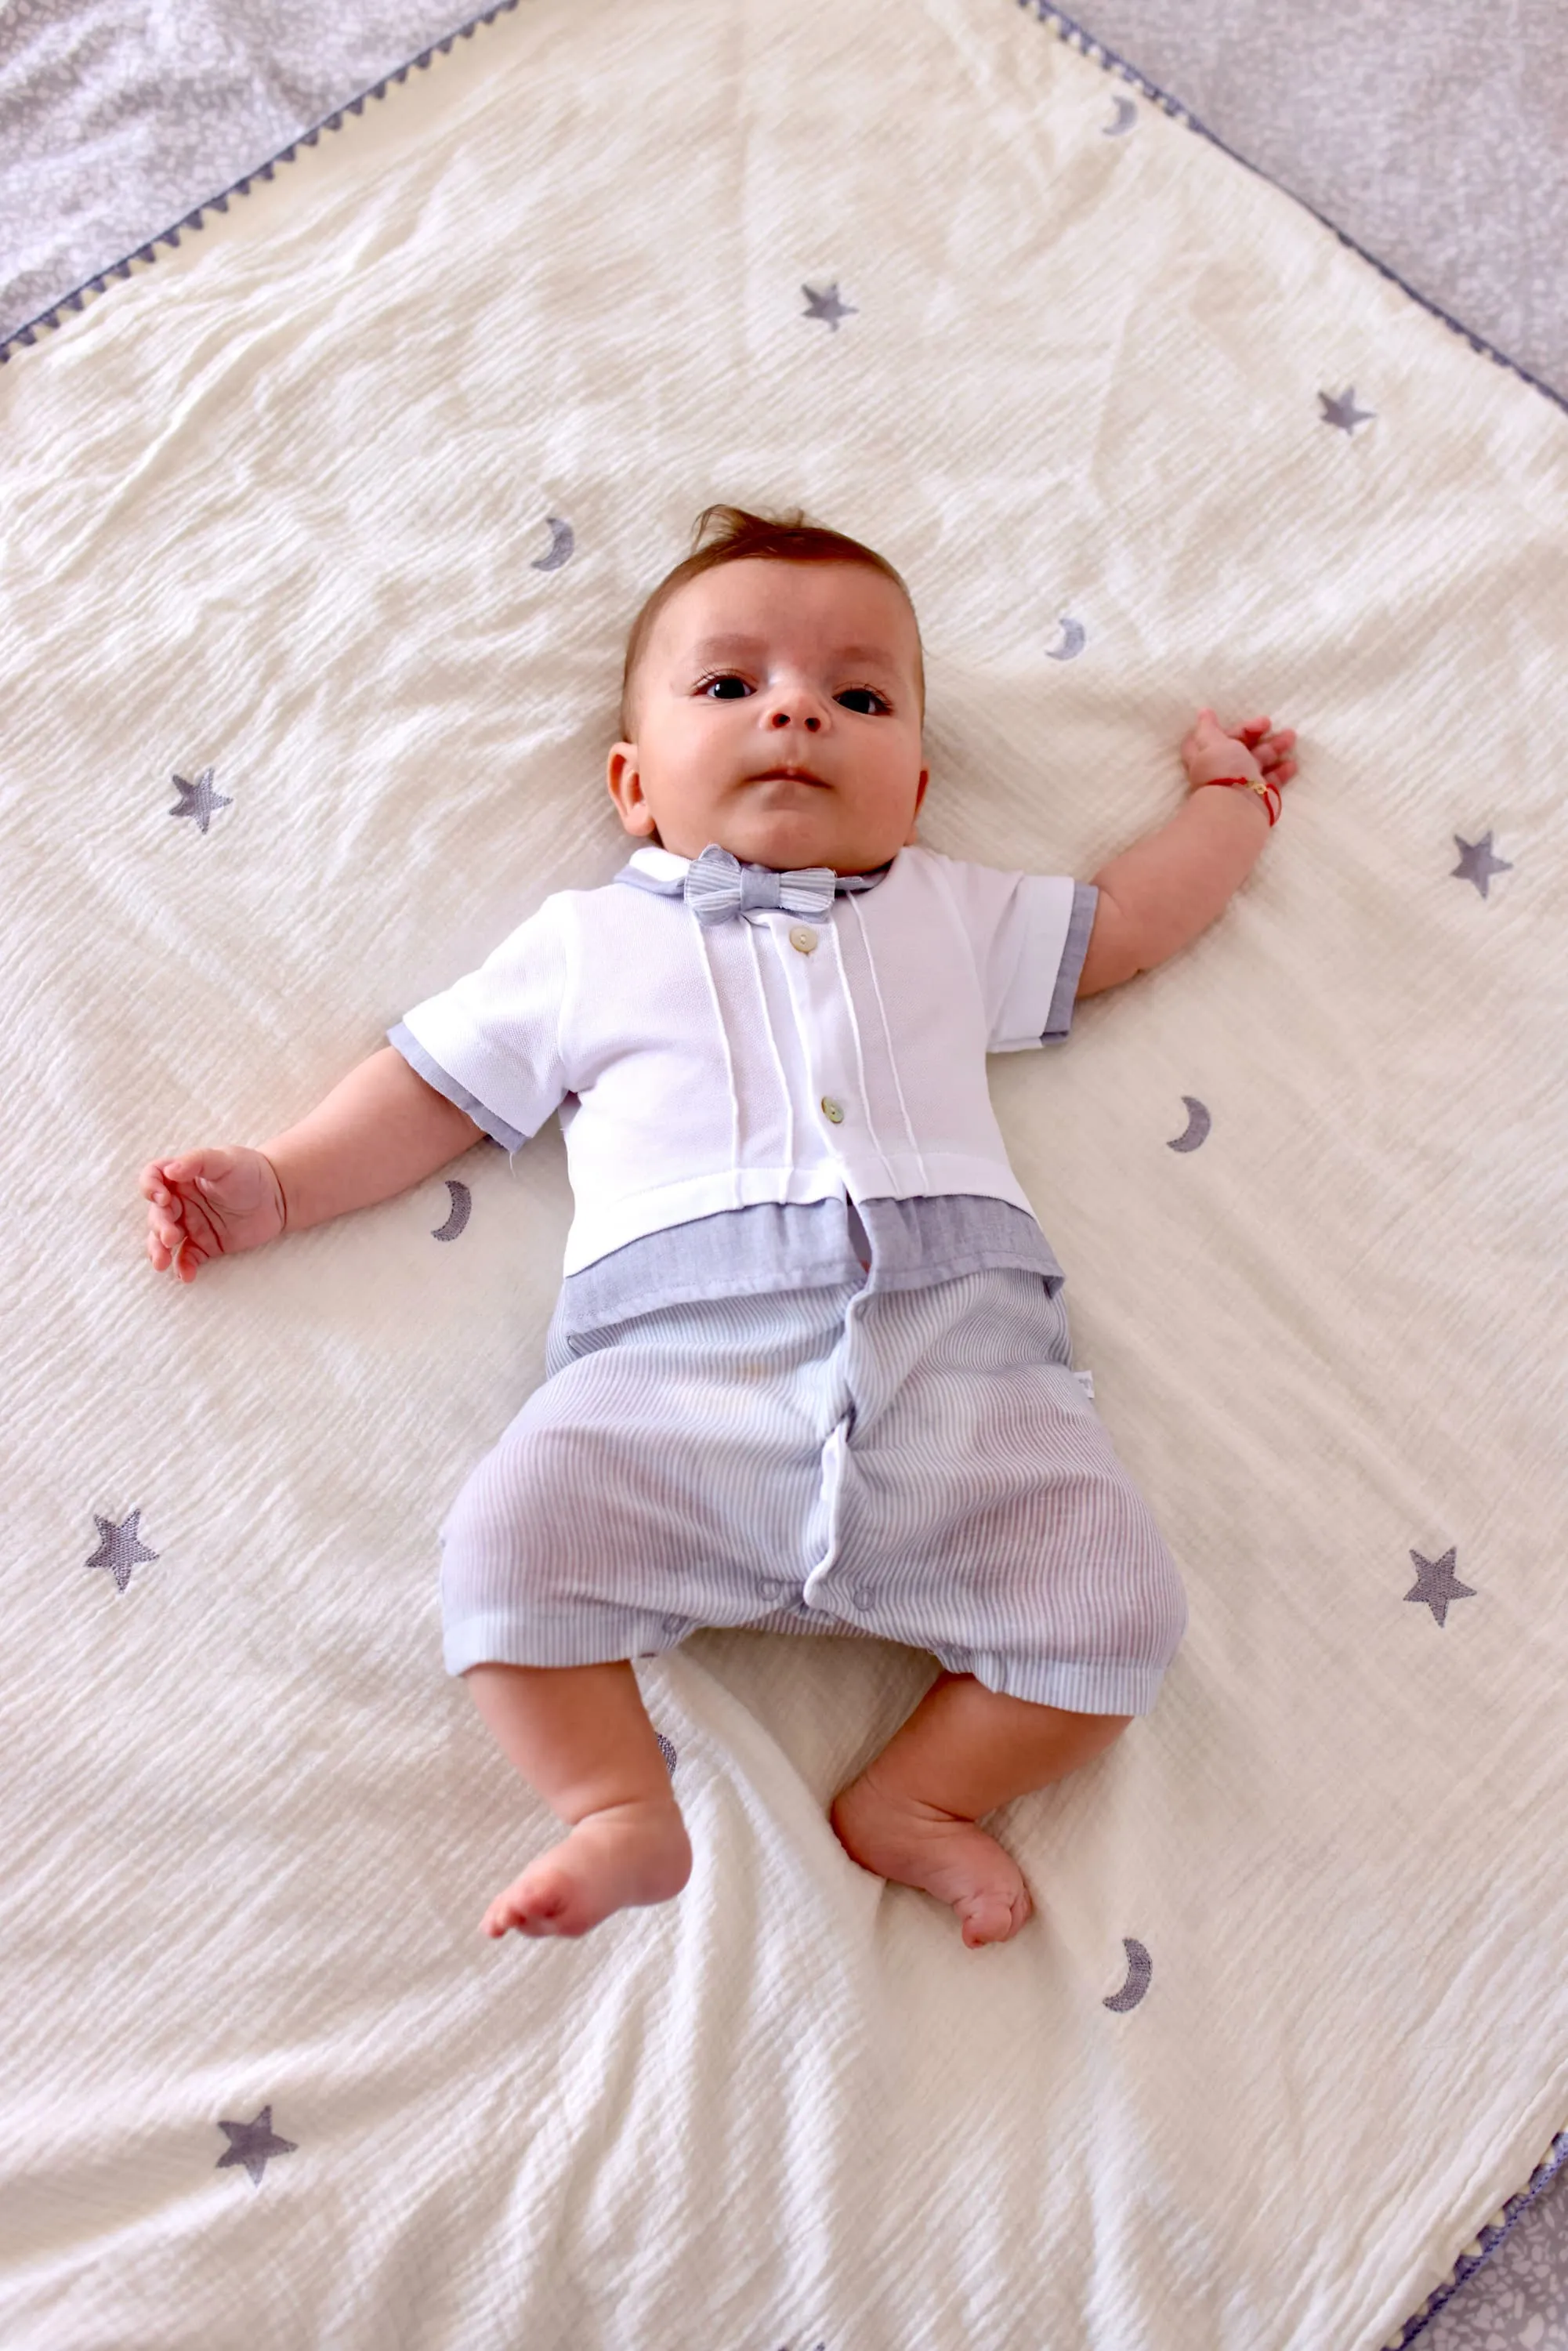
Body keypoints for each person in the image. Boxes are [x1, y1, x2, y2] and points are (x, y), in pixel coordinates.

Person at [139, 505, 1297, 1951]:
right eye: (731, 685)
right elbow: (433, 1090)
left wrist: (1227, 808)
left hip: (961, 1382)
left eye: (858, 698)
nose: (796, 711)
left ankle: (919, 1797)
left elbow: (1122, 923)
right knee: (503, 1552)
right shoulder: (588, 946)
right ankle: (616, 1806)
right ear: (634, 784)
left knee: (1119, 1615)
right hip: (668, 1386)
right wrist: (281, 1182)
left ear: (916, 788)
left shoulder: (947, 913)